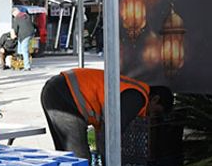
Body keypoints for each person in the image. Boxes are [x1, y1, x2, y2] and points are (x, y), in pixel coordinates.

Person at [40, 68, 174, 161]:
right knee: (79, 160)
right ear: (155, 99)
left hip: (56, 89)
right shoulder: (137, 97)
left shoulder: (134, 90)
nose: (151, 116)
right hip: (64, 95)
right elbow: (111, 135)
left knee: (66, 156)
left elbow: (106, 133)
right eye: (156, 111)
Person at [11, 6, 35, 71]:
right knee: (20, 50)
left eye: (13, 14)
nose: (13, 15)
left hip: (23, 35)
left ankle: (27, 66)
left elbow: (15, 29)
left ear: (14, 13)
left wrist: (13, 35)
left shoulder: (17, 18)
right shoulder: (26, 15)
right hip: (30, 33)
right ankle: (22, 63)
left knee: (24, 51)